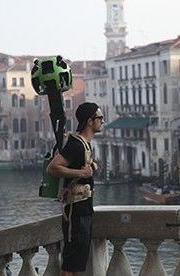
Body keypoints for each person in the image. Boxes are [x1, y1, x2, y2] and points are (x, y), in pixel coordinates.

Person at [47, 102, 104, 276]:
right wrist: (80, 172)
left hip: (83, 209)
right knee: (70, 263)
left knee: (78, 261)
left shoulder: (85, 144)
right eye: (100, 118)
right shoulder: (76, 145)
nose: (102, 121)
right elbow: (53, 167)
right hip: (75, 212)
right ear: (89, 121)